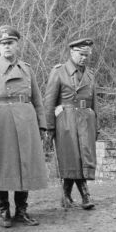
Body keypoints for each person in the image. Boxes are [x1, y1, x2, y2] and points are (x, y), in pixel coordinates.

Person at [0, 25, 48, 227]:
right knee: (2, 166)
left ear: (17, 44)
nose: (7, 47)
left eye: (10, 43)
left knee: (24, 165)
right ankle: (4, 212)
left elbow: (37, 99)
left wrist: (41, 125)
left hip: (26, 120)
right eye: (3, 44)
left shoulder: (27, 69)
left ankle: (21, 211)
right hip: (2, 122)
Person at [44, 38, 98, 209]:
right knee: (73, 157)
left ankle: (66, 195)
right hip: (66, 121)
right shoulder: (59, 72)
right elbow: (49, 101)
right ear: (72, 52)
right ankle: (85, 195)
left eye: (87, 55)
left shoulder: (90, 74)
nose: (84, 58)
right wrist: (49, 126)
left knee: (82, 157)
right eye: (81, 54)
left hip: (86, 120)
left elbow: (95, 102)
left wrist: (97, 124)